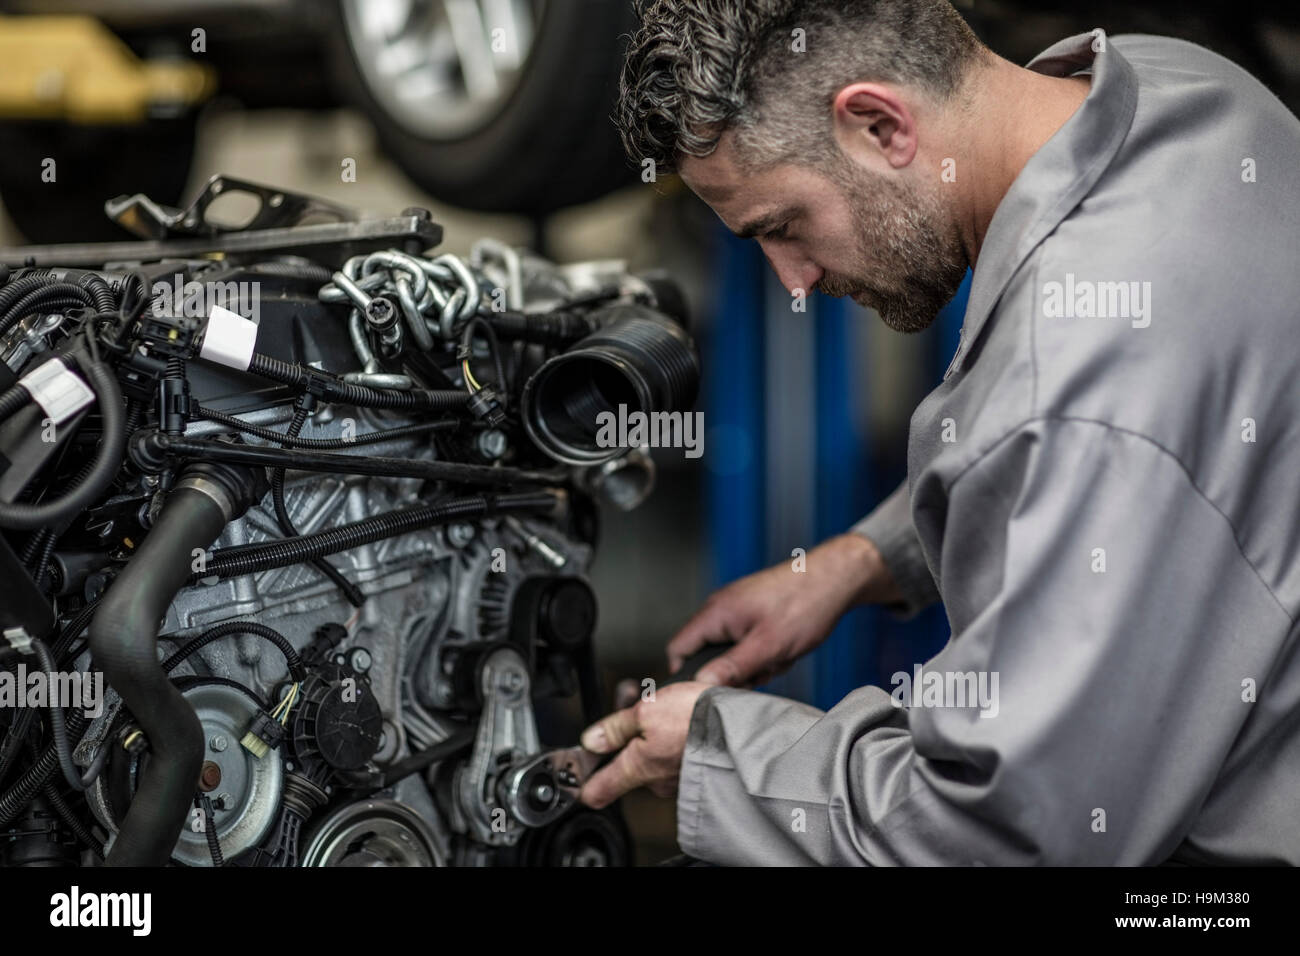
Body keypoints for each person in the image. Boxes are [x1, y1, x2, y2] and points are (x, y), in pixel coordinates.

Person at [575, 0, 1300, 865]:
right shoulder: (1182, 86)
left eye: (781, 227)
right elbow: (1153, 464)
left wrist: (718, 755)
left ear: (880, 124)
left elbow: (1000, 836)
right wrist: (860, 561)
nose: (794, 279)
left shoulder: (1074, 376)